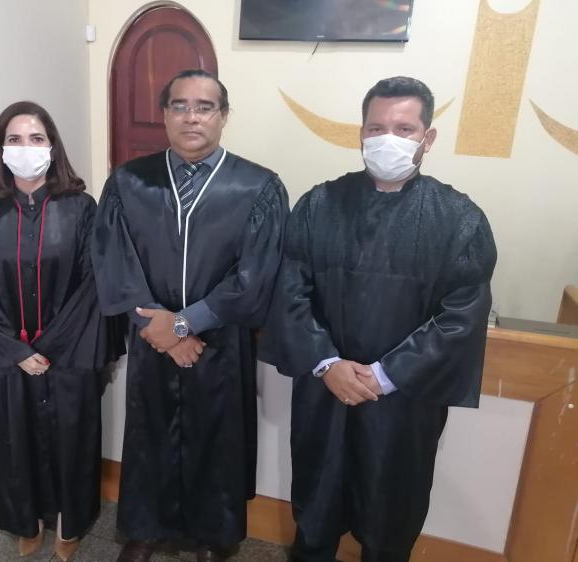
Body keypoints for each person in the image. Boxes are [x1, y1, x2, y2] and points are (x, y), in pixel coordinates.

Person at [260, 76, 497, 562]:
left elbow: (461, 317)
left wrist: (386, 375)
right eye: (376, 128)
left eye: (404, 129)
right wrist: (327, 363)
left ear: (428, 138)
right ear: (361, 134)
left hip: (404, 403)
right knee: (316, 512)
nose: (389, 139)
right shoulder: (318, 205)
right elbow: (289, 292)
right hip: (326, 392)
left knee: (391, 521)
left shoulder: (460, 220)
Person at [91, 69, 288, 562]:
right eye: (179, 106)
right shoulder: (129, 182)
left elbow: (256, 275)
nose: (191, 117)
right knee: (149, 434)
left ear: (223, 116)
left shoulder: (257, 186)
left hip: (220, 344)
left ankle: (213, 537)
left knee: (216, 440)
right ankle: (143, 530)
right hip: (151, 340)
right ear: (164, 115)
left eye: (204, 107)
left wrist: (184, 323)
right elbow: (115, 259)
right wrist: (156, 326)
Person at [0, 101, 123, 561]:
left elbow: (93, 283)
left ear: (52, 146)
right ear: (0, 149)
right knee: (15, 440)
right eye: (14, 139)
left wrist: (47, 347)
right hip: (9, 356)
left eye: (36, 138)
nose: (25, 147)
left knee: (72, 439)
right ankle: (26, 522)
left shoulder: (81, 208)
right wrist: (15, 350)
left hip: (70, 353)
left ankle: (70, 523)